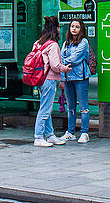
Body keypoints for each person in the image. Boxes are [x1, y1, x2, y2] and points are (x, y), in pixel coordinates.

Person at [32, 16, 69, 147]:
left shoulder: (38, 43)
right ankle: (38, 137)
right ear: (57, 29)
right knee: (45, 109)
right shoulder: (53, 45)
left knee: (45, 108)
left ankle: (50, 135)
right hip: (49, 79)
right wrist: (65, 69)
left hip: (39, 79)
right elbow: (55, 65)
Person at [60, 19, 92, 143]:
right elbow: (62, 57)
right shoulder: (66, 43)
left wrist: (64, 61)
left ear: (81, 29)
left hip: (80, 77)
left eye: (77, 27)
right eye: (72, 26)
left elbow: (76, 58)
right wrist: (62, 78)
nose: (74, 29)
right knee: (71, 106)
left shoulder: (83, 42)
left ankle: (84, 132)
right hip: (68, 78)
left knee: (83, 106)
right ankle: (70, 131)